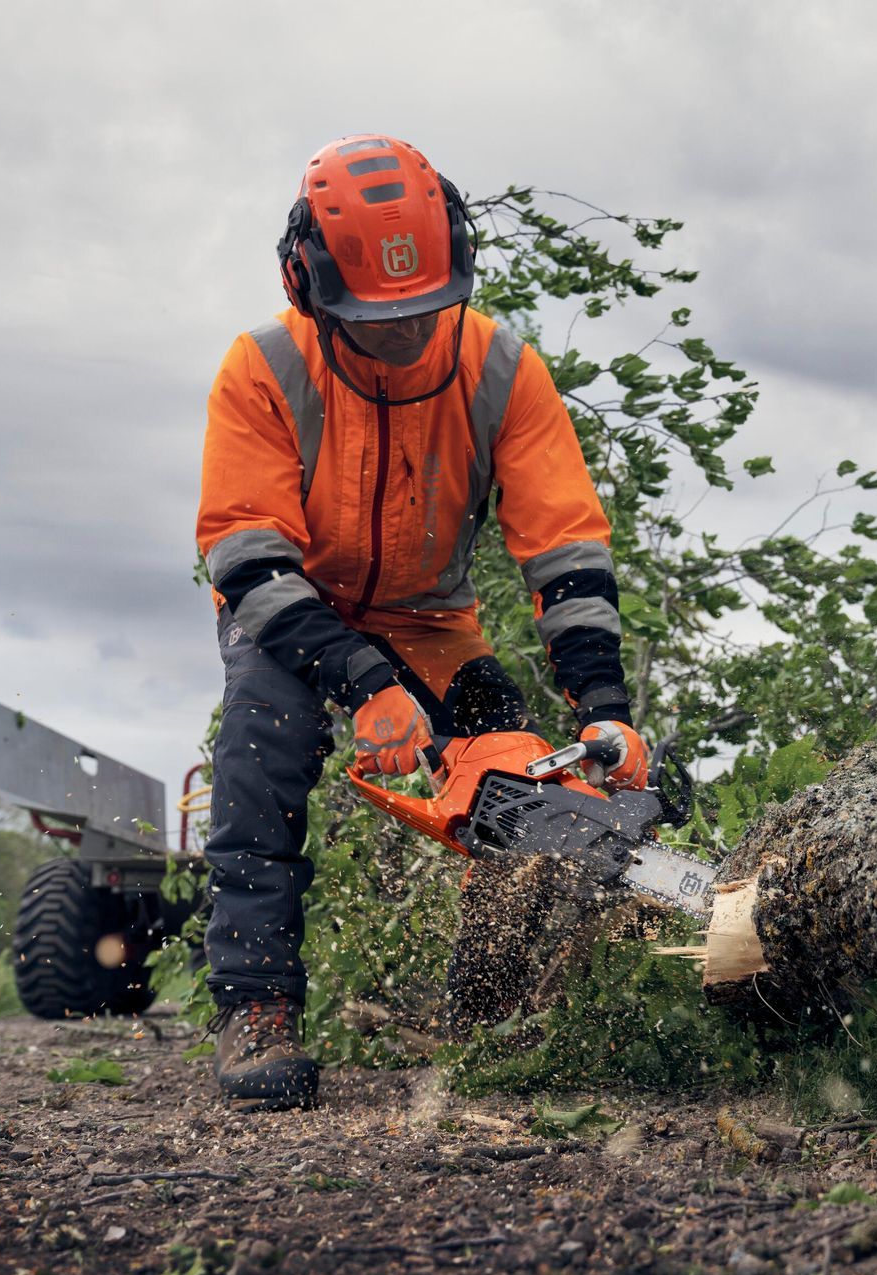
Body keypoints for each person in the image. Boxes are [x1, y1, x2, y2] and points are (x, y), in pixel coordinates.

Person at [194, 134, 647, 1113]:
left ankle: (509, 1003)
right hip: (295, 615)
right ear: (306, 280)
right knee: (262, 746)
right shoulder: (263, 367)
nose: (404, 336)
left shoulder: (500, 373)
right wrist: (363, 681)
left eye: (423, 314)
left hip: (432, 621)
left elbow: (565, 550)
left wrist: (606, 706)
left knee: (517, 772)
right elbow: (247, 559)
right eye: (378, 320)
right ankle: (257, 1005)